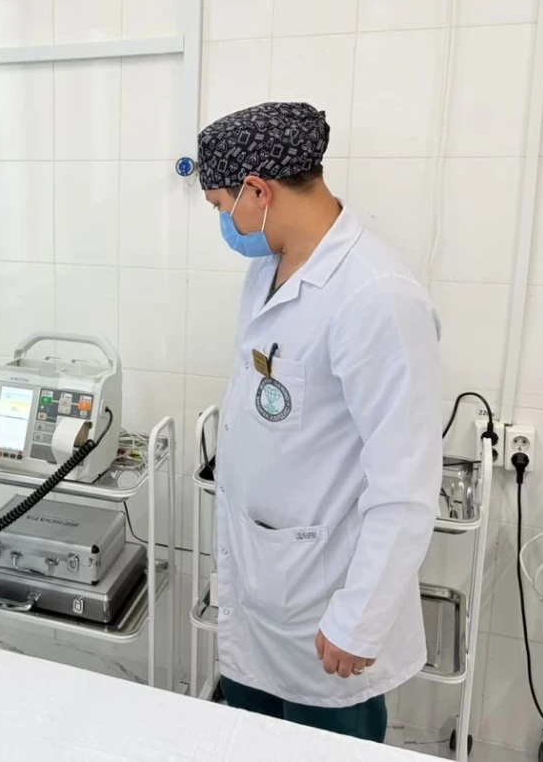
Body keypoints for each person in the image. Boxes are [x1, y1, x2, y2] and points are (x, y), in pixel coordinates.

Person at [199, 102, 441, 742]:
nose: (225, 222)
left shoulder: (376, 295)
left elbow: (407, 481)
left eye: (222, 205)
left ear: (259, 191)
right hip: (262, 589)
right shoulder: (268, 269)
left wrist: (361, 618)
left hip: (326, 606)